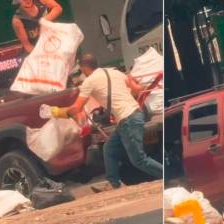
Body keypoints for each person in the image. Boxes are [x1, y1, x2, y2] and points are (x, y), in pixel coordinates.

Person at [51, 54, 163, 188]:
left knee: (139, 160)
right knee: (109, 148)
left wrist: (57, 112)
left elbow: (76, 109)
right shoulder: (115, 72)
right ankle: (113, 183)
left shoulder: (90, 81)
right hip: (132, 115)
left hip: (128, 119)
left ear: (84, 68)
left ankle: (164, 176)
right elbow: (136, 90)